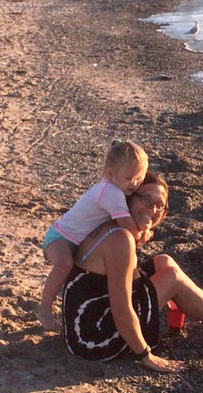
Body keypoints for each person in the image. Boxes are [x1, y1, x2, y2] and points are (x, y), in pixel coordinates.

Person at [62, 172, 203, 372]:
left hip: (84, 318)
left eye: (159, 205)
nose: (152, 209)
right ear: (129, 198)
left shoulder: (110, 223)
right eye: (145, 199)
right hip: (92, 339)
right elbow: (120, 309)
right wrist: (146, 355)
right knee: (171, 277)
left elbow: (123, 282)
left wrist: (164, 294)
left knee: (164, 262)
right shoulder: (120, 239)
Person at [37, 140, 150, 331]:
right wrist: (142, 231)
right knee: (65, 264)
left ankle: (66, 299)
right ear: (109, 174)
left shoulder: (117, 187)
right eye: (129, 178)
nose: (135, 183)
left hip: (78, 240)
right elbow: (126, 224)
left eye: (139, 178)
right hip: (60, 237)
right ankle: (44, 307)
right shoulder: (111, 193)